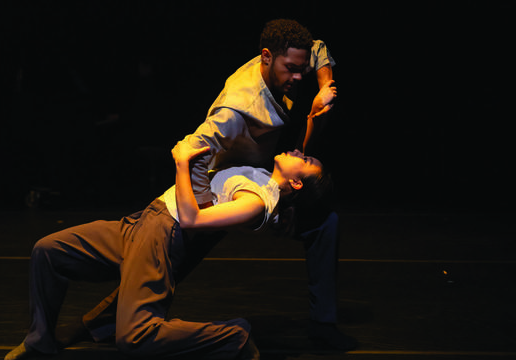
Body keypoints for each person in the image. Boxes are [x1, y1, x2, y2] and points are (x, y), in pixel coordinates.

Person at [79, 19, 356, 351]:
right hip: (230, 181)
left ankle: (323, 324)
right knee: (179, 249)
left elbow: (319, 48)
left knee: (325, 222)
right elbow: (196, 147)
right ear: (267, 58)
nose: (299, 76)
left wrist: (325, 85)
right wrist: (201, 200)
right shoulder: (235, 108)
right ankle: (115, 320)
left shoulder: (289, 58)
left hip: (268, 174)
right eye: (293, 69)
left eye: (302, 69)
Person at [5, 142, 329, 360]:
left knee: (135, 338)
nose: (299, 150)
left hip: (163, 231)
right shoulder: (261, 174)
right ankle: (41, 340)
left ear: (297, 183)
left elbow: (192, 220)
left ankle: (235, 337)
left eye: (306, 160)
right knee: (47, 251)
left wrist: (182, 163)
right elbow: (301, 142)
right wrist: (315, 113)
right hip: (142, 221)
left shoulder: (258, 202)